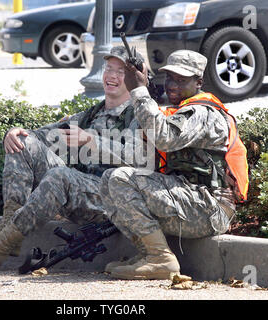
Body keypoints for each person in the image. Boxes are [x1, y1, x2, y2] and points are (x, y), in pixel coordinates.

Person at [0, 46, 151, 270]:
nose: (111, 76)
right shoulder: (93, 113)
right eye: (108, 68)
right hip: (80, 194)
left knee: (60, 176)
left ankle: (1, 246)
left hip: (111, 202)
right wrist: (16, 132)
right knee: (23, 143)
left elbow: (140, 158)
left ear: (135, 79)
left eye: (121, 71)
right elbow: (47, 134)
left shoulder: (140, 114)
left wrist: (91, 141)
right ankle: (7, 228)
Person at [99, 50, 249, 280]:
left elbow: (164, 137)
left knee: (121, 179)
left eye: (182, 80)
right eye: (170, 78)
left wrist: (139, 90)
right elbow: (143, 151)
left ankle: (161, 260)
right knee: (110, 179)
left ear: (199, 82)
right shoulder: (179, 110)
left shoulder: (202, 112)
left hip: (210, 207)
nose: (172, 84)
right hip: (190, 199)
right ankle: (148, 254)